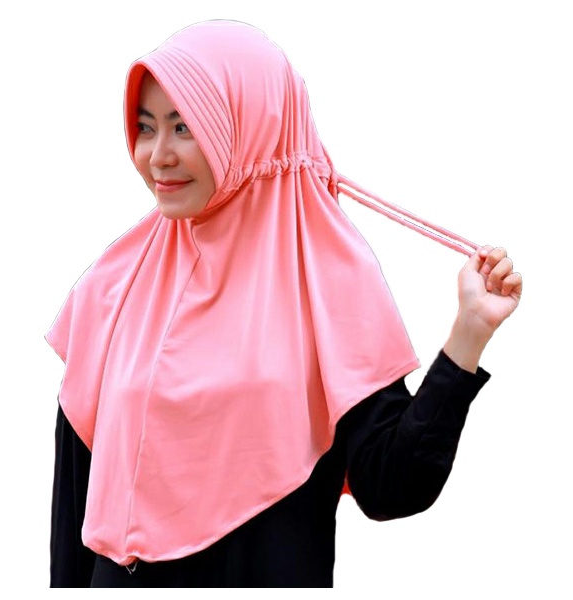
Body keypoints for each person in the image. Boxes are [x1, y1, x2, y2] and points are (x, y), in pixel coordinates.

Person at [47, 19, 522, 588]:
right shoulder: (114, 286)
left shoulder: (328, 281)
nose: (158, 155)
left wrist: (468, 336)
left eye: (184, 126)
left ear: (253, 129)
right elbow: (74, 506)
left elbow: (390, 486)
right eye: (146, 128)